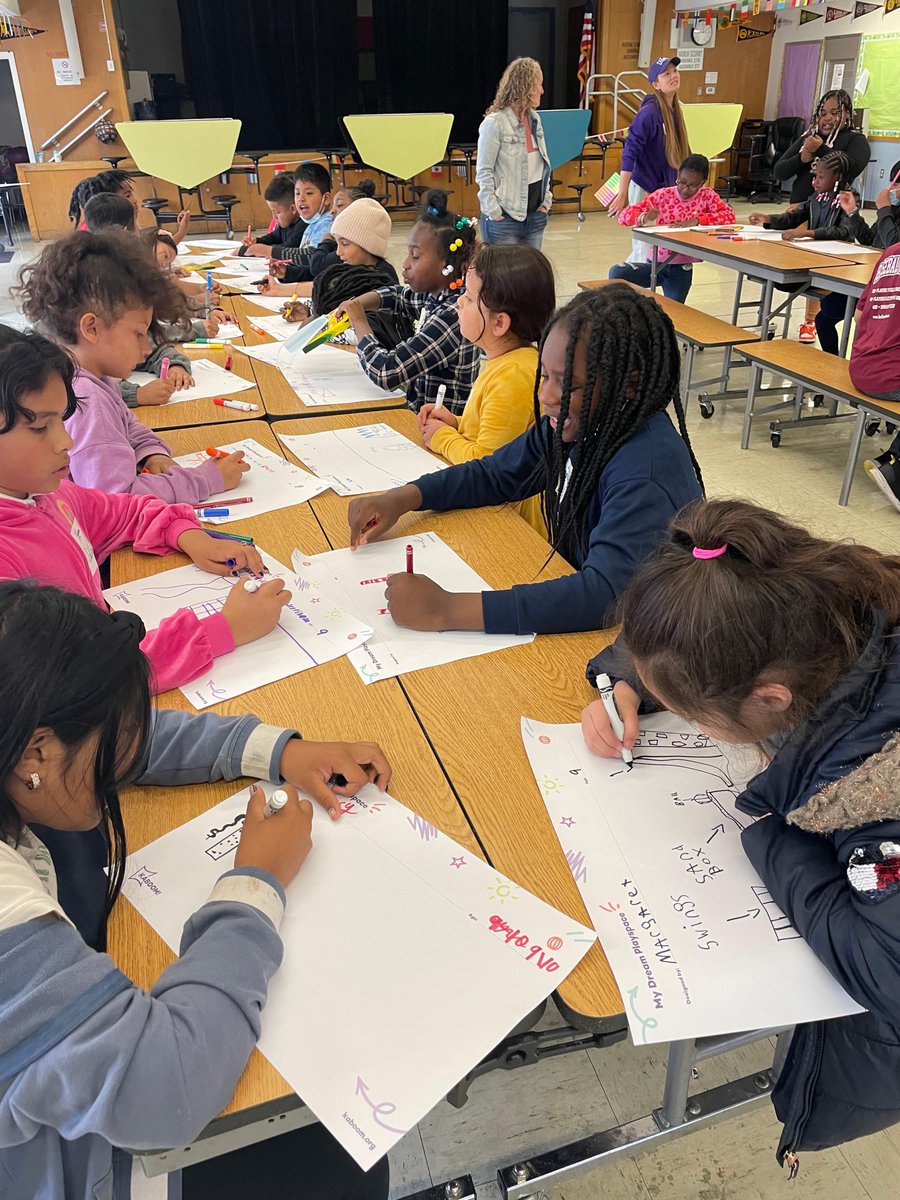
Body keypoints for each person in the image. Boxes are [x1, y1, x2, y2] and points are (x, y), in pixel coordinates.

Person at [0, 580, 390, 1200]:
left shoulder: (22, 743)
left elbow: (122, 734)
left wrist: (274, 750)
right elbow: (169, 1089)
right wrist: (253, 886)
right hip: (73, 1168)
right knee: (337, 1163)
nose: (131, 744)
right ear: (35, 755)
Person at [581, 497, 900, 1169]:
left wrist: (769, 828)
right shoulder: (809, 604)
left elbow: (887, 967)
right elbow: (688, 620)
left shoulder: (874, 793)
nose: (692, 728)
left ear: (771, 700)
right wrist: (622, 684)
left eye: (695, 716)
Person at [346, 284, 704, 635]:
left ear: (628, 385)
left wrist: (447, 609)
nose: (546, 395)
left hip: (646, 644)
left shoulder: (645, 471)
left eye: (568, 384)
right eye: (545, 376)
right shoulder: (576, 424)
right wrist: (405, 497)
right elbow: (498, 474)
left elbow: (604, 596)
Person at [0, 325, 287, 694]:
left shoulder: (47, 495)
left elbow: (128, 512)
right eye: (41, 427)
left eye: (61, 419)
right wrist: (222, 630)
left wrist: (190, 536)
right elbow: (79, 683)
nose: (66, 440)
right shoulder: (8, 566)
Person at [17, 231, 248, 503]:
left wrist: (152, 452)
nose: (147, 347)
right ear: (92, 327)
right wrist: (206, 480)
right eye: (139, 334)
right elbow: (116, 501)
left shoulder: (90, 374)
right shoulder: (87, 400)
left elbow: (129, 426)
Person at [416, 242, 555, 535]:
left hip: (513, 528)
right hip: (496, 512)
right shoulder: (506, 361)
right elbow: (492, 435)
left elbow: (487, 467)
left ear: (499, 323)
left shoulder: (514, 376)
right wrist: (455, 424)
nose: (458, 303)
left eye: (468, 297)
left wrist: (443, 439)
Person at [336, 189, 481, 415]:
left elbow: (387, 372)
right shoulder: (436, 294)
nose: (405, 264)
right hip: (419, 416)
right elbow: (398, 296)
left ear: (447, 263)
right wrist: (358, 303)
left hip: (440, 432)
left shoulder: (453, 316)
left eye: (415, 256)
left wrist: (359, 321)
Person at [749, 151, 871, 352]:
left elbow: (843, 230)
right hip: (812, 260)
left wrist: (809, 233)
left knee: (825, 315)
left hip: (837, 265)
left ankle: (832, 359)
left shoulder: (848, 197)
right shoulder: (817, 197)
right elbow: (796, 216)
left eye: (821, 177)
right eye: (815, 176)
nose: (815, 182)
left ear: (837, 178)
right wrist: (769, 219)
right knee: (777, 279)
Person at [611, 154, 736, 302]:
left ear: (703, 182)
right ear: (677, 175)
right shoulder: (664, 195)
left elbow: (729, 216)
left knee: (675, 312)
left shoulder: (707, 196)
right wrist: (644, 217)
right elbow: (624, 216)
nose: (685, 189)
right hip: (656, 262)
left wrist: (697, 220)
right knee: (617, 272)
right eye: (681, 182)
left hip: (681, 267)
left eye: (692, 185)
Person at [608, 57, 691, 273]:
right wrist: (621, 193)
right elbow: (630, 153)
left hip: (667, 189)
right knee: (644, 246)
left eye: (674, 71)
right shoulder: (649, 113)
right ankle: (631, 282)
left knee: (663, 243)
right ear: (655, 84)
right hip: (645, 187)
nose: (673, 76)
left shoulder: (675, 111)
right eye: (666, 74)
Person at [278, 197, 398, 325]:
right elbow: (335, 303)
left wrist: (317, 322)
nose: (338, 252)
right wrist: (308, 309)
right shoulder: (348, 268)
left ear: (368, 245)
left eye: (345, 243)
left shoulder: (383, 278)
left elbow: (362, 327)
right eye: (337, 243)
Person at [476, 56, 552, 249]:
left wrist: (545, 203)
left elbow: (543, 165)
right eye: (538, 85)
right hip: (504, 220)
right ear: (524, 87)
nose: (542, 90)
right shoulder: (495, 123)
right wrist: (494, 211)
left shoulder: (535, 120)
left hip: (535, 217)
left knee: (531, 277)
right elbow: (484, 172)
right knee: (502, 278)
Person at [848, 243, 900, 512]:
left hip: (861, 365)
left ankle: (890, 457)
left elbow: (859, 316)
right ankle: (896, 467)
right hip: (890, 376)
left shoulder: (891, 252)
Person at [259, 180, 377, 295]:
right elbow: (323, 272)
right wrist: (288, 273)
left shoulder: (355, 247)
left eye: (339, 205)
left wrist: (326, 240)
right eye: (298, 193)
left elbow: (317, 266)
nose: (332, 211)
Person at [773, 89, 871, 204]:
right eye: (823, 113)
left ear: (848, 113)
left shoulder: (856, 140)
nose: (827, 118)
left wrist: (820, 149)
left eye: (835, 113)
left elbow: (852, 169)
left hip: (831, 212)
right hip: (798, 209)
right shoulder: (810, 139)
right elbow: (779, 172)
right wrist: (800, 159)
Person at [238, 171, 303, 258]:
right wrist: (257, 241)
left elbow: (288, 248)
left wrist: (258, 250)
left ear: (293, 209)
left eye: (277, 212)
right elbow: (274, 237)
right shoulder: (286, 223)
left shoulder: (303, 225)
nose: (274, 217)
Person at [872, 158, 900, 250]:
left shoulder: (887, 210)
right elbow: (870, 239)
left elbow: (893, 246)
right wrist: (852, 212)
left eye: (895, 185)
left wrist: (884, 209)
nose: (890, 189)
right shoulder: (894, 207)